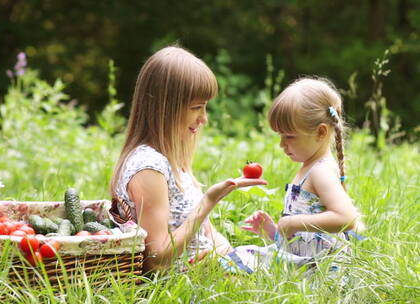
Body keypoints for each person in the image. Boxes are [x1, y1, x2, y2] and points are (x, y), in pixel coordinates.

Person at [109, 46, 267, 272]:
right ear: (166, 110)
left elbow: (208, 233)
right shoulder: (148, 169)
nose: (204, 119)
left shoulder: (171, 162)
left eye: (205, 107)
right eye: (196, 108)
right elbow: (156, 259)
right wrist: (208, 202)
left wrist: (227, 255)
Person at [221, 77, 364, 274]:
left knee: (243, 257)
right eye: (280, 136)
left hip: (318, 269)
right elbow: (309, 236)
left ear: (320, 132)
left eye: (289, 136)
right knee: (245, 258)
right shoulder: (310, 167)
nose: (282, 144)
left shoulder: (321, 171)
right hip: (306, 259)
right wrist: (274, 232)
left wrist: (292, 222)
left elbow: (347, 218)